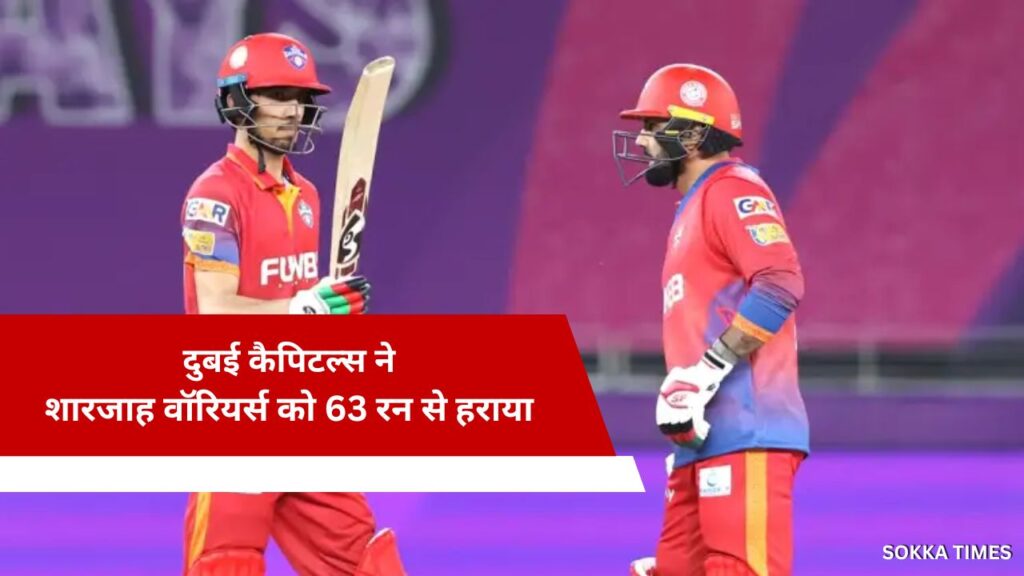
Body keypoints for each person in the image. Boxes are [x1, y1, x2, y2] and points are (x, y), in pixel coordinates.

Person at [179, 32, 406, 575]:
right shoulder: (214, 195)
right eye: (277, 95)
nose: (292, 111)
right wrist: (307, 309)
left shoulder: (307, 195)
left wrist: (330, 312)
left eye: (300, 98)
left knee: (364, 561)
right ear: (236, 99)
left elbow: (296, 306)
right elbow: (216, 314)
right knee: (226, 563)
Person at [613, 64, 809, 576]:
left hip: (749, 428)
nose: (643, 141)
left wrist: (706, 371)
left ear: (694, 135)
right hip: (700, 437)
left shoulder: (732, 190)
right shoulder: (693, 207)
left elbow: (780, 284)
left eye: (653, 127)